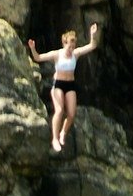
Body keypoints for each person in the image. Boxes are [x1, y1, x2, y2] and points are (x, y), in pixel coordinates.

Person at [28, 23, 98, 152]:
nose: (71, 49)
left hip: (70, 85)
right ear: (64, 43)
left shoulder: (75, 54)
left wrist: (92, 35)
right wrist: (33, 48)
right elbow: (37, 57)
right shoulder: (57, 55)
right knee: (59, 111)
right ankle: (54, 138)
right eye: (69, 46)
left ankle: (63, 133)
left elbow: (92, 46)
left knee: (71, 113)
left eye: (73, 46)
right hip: (58, 85)